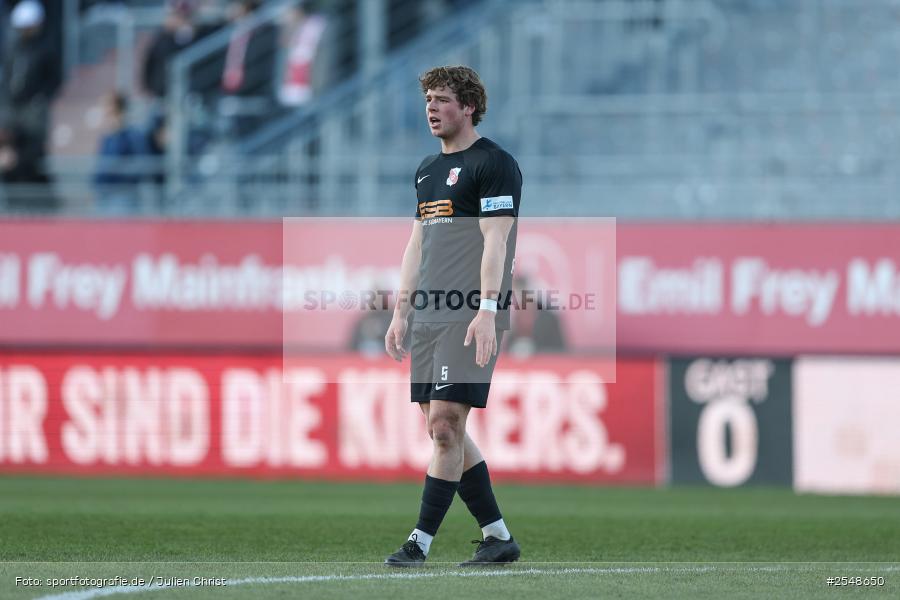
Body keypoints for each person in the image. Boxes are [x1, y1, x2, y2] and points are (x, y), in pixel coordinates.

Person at [383, 65, 522, 567]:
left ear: (468, 106)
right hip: (428, 316)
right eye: (428, 100)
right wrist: (400, 312)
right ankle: (498, 537)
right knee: (444, 431)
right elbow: (417, 243)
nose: (432, 109)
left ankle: (418, 544)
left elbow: (496, 240)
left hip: (468, 314)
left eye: (442, 99)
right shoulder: (425, 170)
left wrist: (487, 310)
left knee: (444, 425)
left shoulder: (494, 163)